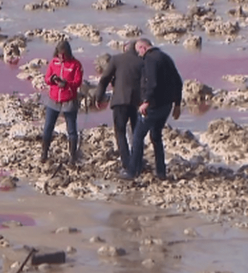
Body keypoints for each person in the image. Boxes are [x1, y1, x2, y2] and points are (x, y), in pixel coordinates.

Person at [121, 38, 183, 180]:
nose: (139, 56)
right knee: (156, 137)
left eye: (139, 52)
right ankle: (161, 172)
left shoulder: (150, 60)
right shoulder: (165, 57)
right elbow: (178, 82)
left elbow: (152, 83)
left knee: (137, 136)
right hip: (166, 106)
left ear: (143, 48)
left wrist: (146, 102)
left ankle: (132, 172)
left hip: (153, 106)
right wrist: (177, 104)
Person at [93, 41, 143, 170]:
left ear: (125, 48)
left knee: (120, 132)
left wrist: (99, 97)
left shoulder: (116, 59)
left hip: (120, 101)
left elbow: (104, 79)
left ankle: (127, 164)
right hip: (136, 102)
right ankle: (137, 161)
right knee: (136, 132)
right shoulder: (141, 62)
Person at [41, 40, 84, 164]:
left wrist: (67, 83)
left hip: (69, 99)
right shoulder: (53, 62)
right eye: (59, 54)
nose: (61, 56)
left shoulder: (75, 64)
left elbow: (78, 82)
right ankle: (44, 153)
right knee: (48, 127)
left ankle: (73, 156)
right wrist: (52, 79)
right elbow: (47, 78)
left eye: (63, 54)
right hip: (53, 99)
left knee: (71, 129)